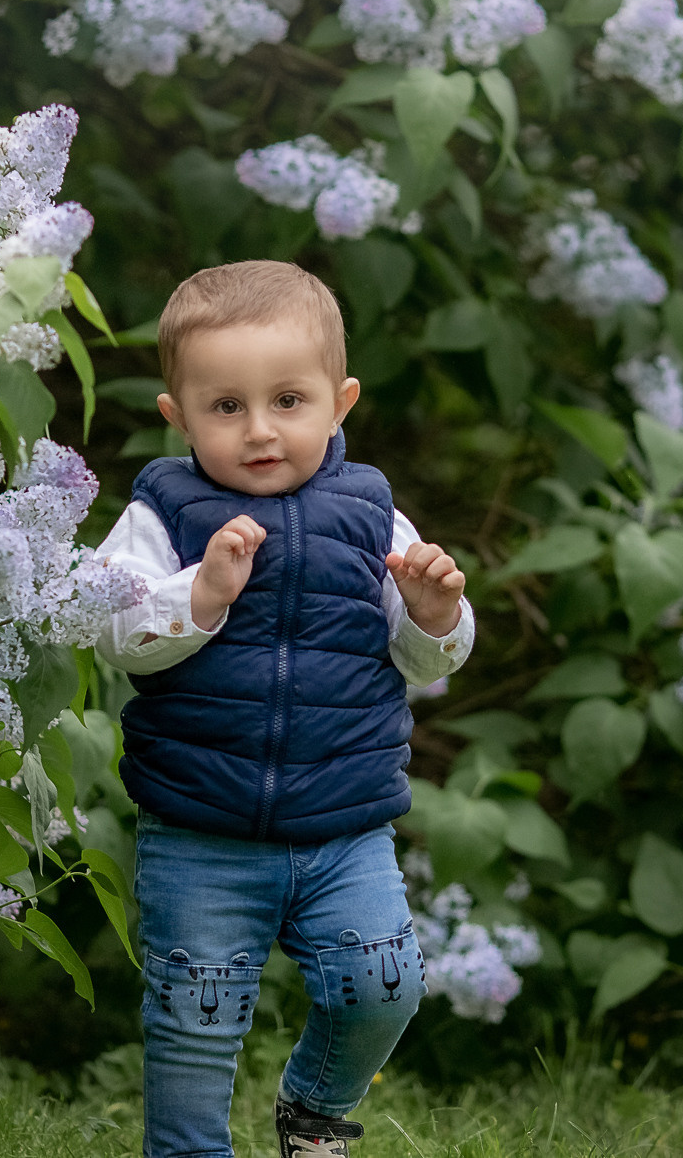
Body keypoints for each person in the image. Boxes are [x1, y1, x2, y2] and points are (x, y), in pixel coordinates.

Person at [94, 260, 474, 1158]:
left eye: (289, 401)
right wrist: (201, 593)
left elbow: (427, 659)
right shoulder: (164, 512)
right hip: (201, 829)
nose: (260, 430)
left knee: (385, 982)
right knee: (196, 1017)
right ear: (177, 415)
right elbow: (109, 629)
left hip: (344, 825)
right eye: (226, 407)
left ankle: (314, 1108)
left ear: (339, 402)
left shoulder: (374, 516)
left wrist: (436, 613)